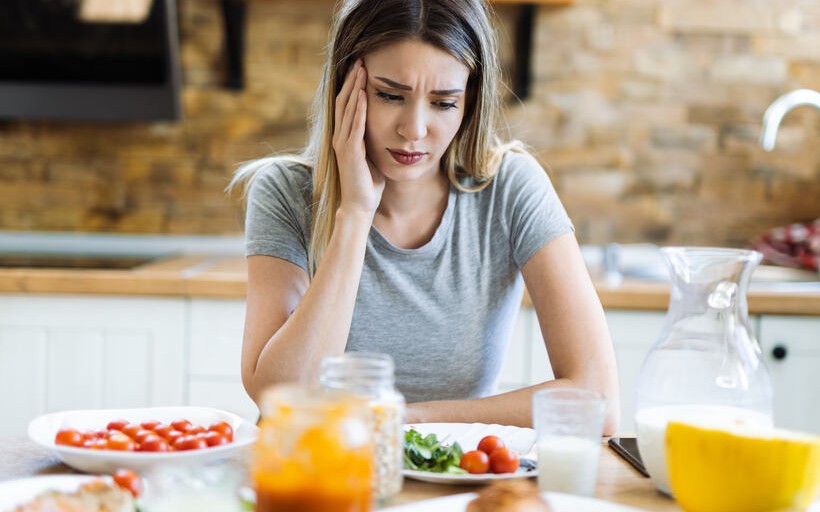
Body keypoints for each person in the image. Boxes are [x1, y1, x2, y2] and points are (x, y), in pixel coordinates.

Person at [228, 0, 619, 434]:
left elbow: (597, 401)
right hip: (313, 477)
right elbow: (282, 397)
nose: (414, 129)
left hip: (449, 482)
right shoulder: (284, 191)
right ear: (345, 88)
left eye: (443, 103)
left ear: (470, 102)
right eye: (390, 95)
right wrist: (355, 214)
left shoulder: (511, 187)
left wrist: (405, 420)